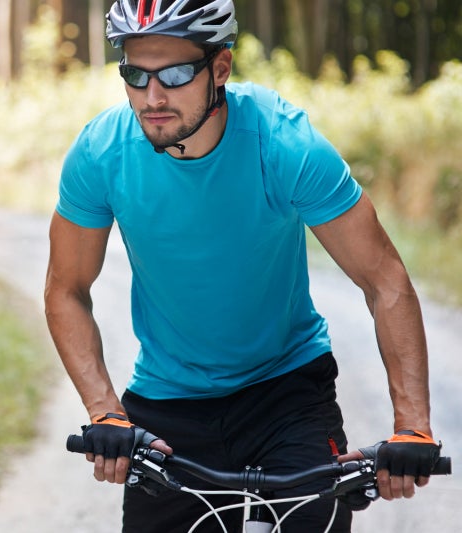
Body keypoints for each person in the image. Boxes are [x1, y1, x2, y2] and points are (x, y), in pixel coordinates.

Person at [43, 0, 441, 531]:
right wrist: (106, 412)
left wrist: (412, 427)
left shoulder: (283, 143)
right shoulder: (101, 153)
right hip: (168, 402)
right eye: (136, 74)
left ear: (221, 69)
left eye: (176, 73)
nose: (153, 96)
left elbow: (384, 279)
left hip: (288, 390)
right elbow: (66, 288)